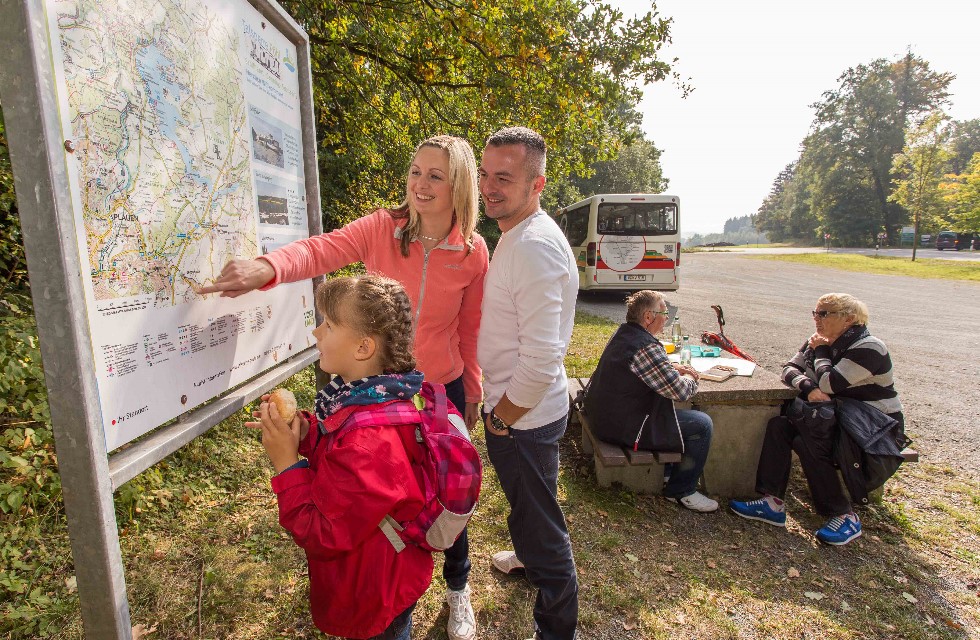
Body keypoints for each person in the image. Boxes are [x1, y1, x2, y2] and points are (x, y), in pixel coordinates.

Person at [200, 135, 487, 640]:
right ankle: (381, 580)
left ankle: (457, 589)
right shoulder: (383, 227)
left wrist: (474, 392)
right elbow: (320, 250)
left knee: (442, 499)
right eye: (415, 171)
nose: (420, 184)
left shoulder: (473, 253)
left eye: (435, 176)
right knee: (366, 493)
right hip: (369, 391)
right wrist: (267, 268)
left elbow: (470, 326)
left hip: (435, 391)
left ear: (459, 185)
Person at [248, 275, 432, 639]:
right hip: (381, 571)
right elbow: (341, 455)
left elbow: (323, 531)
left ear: (363, 348)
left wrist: (287, 464)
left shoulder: (370, 441)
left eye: (329, 325)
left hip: (374, 591)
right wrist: (303, 434)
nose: (317, 333)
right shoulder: (366, 397)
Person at [477, 126, 578, 640]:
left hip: (524, 418)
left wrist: (500, 419)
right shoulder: (517, 236)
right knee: (530, 506)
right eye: (485, 174)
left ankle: (557, 630)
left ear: (537, 184)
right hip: (523, 413)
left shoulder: (534, 247)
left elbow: (541, 360)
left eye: (505, 178)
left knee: (545, 528)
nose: (490, 187)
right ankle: (526, 559)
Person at [729, 293, 904, 546]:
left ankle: (844, 515)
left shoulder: (869, 347)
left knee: (807, 440)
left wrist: (820, 352)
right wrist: (810, 388)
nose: (817, 319)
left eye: (825, 313)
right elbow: (788, 369)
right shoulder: (817, 341)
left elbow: (830, 383)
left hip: (872, 428)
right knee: (780, 426)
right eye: (815, 313)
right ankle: (772, 502)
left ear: (849, 319)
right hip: (833, 418)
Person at [584, 290, 718, 512]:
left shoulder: (625, 333)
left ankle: (667, 474)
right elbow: (681, 392)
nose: (667, 318)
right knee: (702, 425)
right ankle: (682, 490)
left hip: (604, 416)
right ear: (648, 317)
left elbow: (637, 367)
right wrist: (692, 376)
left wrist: (672, 368)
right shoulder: (646, 347)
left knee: (671, 414)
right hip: (623, 427)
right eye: (664, 312)